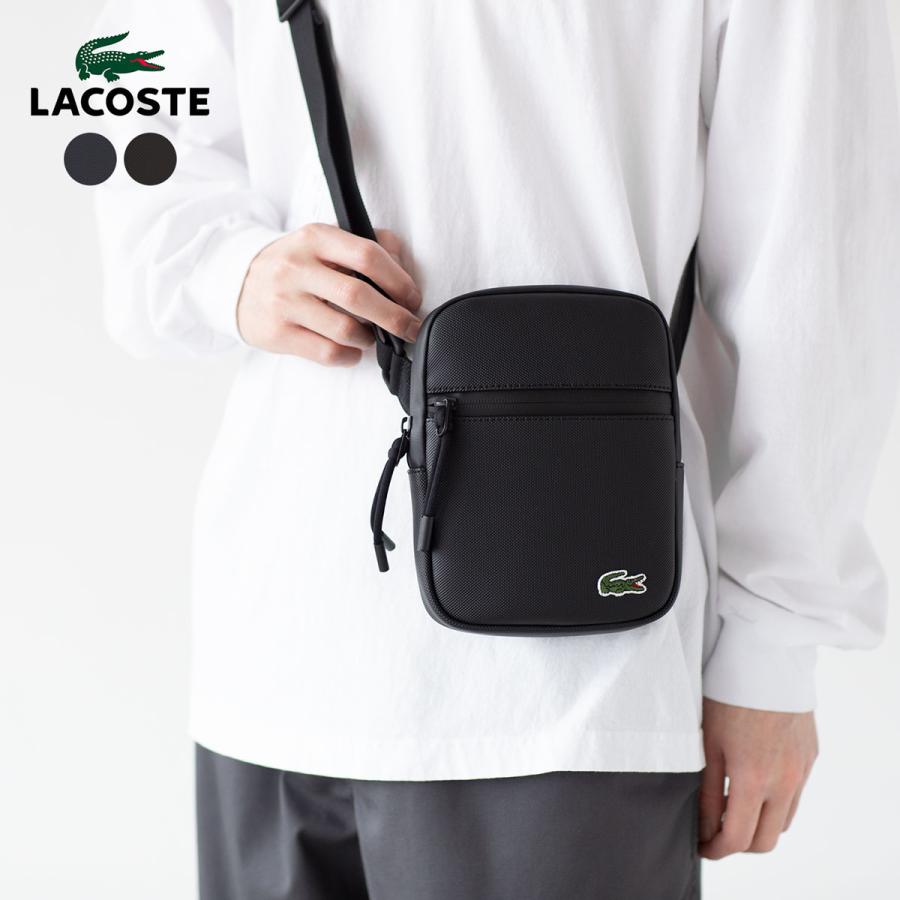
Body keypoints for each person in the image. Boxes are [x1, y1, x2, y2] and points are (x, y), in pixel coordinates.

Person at [95, 1, 900, 897]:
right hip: (278, 651)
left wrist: (773, 649)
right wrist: (228, 270)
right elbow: (134, 144)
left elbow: (815, 262)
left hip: (569, 688)